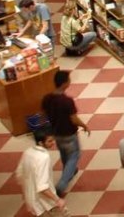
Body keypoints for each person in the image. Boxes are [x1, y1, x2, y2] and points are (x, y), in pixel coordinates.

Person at [41, 70, 90, 198]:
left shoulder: (47, 99)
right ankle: (62, 185)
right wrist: (84, 125)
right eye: (68, 79)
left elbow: (44, 115)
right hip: (69, 134)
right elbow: (73, 119)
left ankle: (70, 171)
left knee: (64, 154)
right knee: (74, 156)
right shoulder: (67, 101)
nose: (70, 81)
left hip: (56, 133)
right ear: (64, 83)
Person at [16, 127, 68, 217]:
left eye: (53, 139)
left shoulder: (28, 152)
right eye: (50, 141)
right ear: (41, 143)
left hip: (33, 201)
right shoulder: (43, 158)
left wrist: (27, 191)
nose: (54, 142)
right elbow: (42, 187)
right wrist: (58, 200)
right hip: (46, 203)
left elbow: (19, 174)